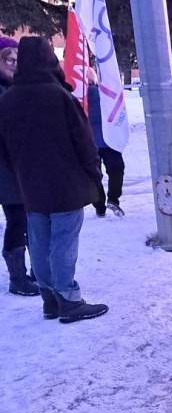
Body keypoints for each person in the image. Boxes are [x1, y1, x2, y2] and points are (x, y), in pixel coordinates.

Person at [0, 36, 107, 322]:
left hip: (29, 186)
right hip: (66, 185)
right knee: (63, 241)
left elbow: (3, 147)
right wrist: (95, 175)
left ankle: (49, 300)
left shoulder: (7, 99)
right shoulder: (60, 96)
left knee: (39, 241)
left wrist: (20, 173)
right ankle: (68, 299)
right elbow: (84, 143)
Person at [0, 37, 38, 296]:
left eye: (17, 60)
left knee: (23, 217)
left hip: (16, 165)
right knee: (17, 218)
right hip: (7, 167)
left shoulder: (12, 88)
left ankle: (30, 272)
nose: (14, 65)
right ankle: (17, 277)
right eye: (9, 59)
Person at [87, 68, 126, 217]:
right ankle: (113, 199)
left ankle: (99, 205)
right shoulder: (103, 94)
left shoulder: (77, 98)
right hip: (110, 140)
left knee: (94, 175)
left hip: (89, 142)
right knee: (116, 170)